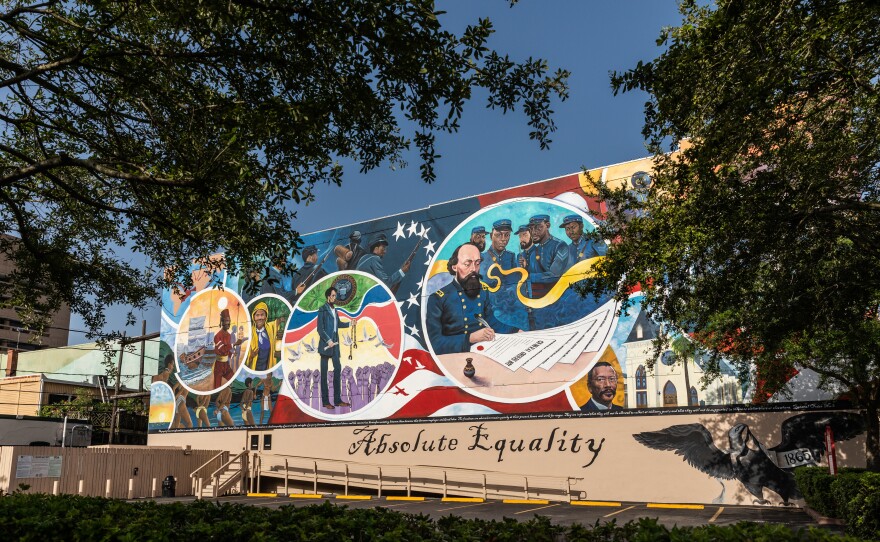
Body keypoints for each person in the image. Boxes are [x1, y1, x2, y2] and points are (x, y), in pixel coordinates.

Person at [426, 243, 518, 355]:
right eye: (467, 264)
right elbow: (434, 344)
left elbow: (493, 323)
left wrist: (517, 332)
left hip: (484, 351)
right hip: (455, 357)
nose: (473, 269)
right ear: (454, 267)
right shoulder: (438, 298)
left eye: (477, 263)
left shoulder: (483, 291)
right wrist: (470, 338)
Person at [317, 287, 351, 409]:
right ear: (328, 297)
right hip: (326, 346)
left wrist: (350, 323)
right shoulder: (322, 310)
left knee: (338, 369)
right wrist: (328, 340)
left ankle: (337, 400)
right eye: (332, 296)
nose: (334, 298)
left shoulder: (334, 310)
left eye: (335, 296)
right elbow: (320, 329)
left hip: (335, 345)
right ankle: (326, 402)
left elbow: (339, 324)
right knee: (324, 374)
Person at [524, 214, 569, 298]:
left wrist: (528, 276)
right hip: (537, 301)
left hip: (557, 300)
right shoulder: (533, 253)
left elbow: (554, 275)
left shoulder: (560, 246)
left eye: (538, 227)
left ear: (547, 225)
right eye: (531, 228)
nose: (533, 232)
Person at [246, 301, 284, 372]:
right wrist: (251, 356)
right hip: (255, 369)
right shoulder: (250, 332)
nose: (260, 318)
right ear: (253, 317)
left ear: (266, 316)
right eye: (257, 315)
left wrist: (283, 319)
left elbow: (277, 322)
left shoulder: (269, 328)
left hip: (267, 368)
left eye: (262, 314)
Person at [213, 308, 244, 389]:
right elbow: (223, 349)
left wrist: (233, 354)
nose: (228, 323)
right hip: (219, 367)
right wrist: (234, 344)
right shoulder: (217, 337)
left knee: (233, 379)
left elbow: (228, 351)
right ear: (222, 322)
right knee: (217, 388)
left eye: (229, 321)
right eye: (226, 321)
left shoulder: (229, 335)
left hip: (226, 365)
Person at [480, 219, 517, 284]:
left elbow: (515, 280)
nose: (503, 239)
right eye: (498, 235)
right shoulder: (482, 257)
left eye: (507, 235)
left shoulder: (511, 256)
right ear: (491, 236)